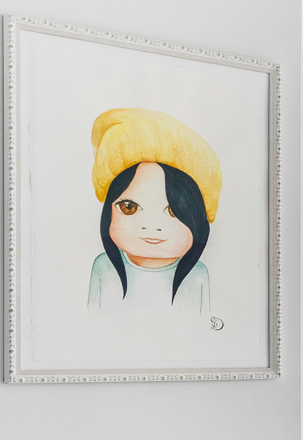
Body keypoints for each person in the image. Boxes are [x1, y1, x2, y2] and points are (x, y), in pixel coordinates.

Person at [86, 107, 219, 321]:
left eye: (174, 211)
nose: (152, 226)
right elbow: (91, 321)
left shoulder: (197, 274)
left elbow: (201, 327)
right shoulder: (104, 266)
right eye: (129, 207)